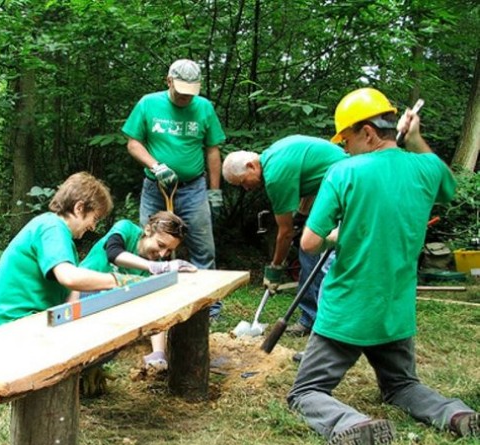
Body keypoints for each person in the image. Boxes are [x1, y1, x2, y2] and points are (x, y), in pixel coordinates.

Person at [287, 87, 478, 445]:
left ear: (369, 132)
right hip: (394, 309)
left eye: (347, 138)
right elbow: (448, 187)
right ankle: (457, 414)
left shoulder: (344, 172)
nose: (344, 148)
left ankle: (351, 424)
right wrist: (418, 138)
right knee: (402, 385)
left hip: (347, 311)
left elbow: (309, 243)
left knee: (305, 392)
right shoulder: (425, 168)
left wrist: (340, 234)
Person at [121, 59, 226, 318]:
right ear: (169, 82)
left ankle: (206, 308)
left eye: (190, 93)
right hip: (156, 188)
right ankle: (151, 304)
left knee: (203, 247)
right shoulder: (149, 104)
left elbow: (213, 150)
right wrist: (156, 166)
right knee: (147, 244)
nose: (185, 99)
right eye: (180, 92)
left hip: (193, 189)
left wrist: (214, 192)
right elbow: (133, 143)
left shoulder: (204, 108)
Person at [222, 136, 347, 335]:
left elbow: (285, 233)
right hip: (332, 187)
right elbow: (312, 181)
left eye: (243, 182)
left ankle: (330, 327)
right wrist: (303, 216)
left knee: (328, 263)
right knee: (309, 253)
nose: (246, 188)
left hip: (348, 188)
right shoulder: (274, 155)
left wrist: (276, 267)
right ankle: (310, 319)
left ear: (251, 166)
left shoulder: (275, 176)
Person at [0, 172, 131, 331]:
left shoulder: (59, 234)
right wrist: (119, 281)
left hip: (23, 317)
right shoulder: (52, 228)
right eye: (95, 218)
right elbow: (69, 277)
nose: (93, 227)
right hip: (7, 320)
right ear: (79, 208)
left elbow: (72, 293)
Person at [80, 211, 196, 371]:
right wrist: (155, 267)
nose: (162, 254)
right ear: (148, 230)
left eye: (169, 251)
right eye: (161, 245)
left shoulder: (156, 263)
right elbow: (113, 253)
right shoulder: (126, 228)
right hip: (81, 293)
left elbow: (156, 306)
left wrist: (159, 353)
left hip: (109, 306)